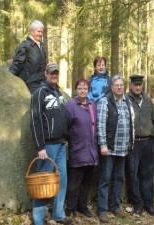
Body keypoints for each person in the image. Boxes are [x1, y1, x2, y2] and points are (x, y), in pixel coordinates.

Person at [30, 62, 72, 225]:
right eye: (51, 73)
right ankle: (38, 219)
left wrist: (66, 138)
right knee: (43, 183)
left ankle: (58, 214)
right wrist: (40, 147)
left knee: (62, 180)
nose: (54, 75)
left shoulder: (58, 92)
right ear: (45, 73)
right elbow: (35, 121)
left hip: (61, 144)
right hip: (47, 146)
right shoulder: (39, 93)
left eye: (56, 73)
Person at [96, 74, 134, 223]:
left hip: (123, 149)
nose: (119, 87)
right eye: (116, 85)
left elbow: (131, 123)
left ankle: (115, 206)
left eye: (121, 85)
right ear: (111, 87)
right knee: (105, 179)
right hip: (109, 149)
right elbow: (100, 125)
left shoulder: (127, 102)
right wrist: (103, 145)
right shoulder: (105, 102)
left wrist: (131, 141)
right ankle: (102, 210)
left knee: (119, 178)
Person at [64, 78, 98, 218]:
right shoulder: (71, 105)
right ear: (75, 90)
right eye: (80, 88)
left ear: (88, 90)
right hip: (77, 150)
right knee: (74, 183)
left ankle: (82, 206)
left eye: (85, 88)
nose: (83, 90)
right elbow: (65, 128)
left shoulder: (92, 105)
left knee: (86, 182)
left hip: (91, 151)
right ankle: (70, 208)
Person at [125, 75, 154, 216]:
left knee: (148, 174)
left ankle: (149, 204)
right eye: (135, 85)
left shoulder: (148, 101)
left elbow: (152, 120)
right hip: (133, 143)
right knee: (133, 174)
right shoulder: (126, 100)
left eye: (140, 85)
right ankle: (137, 204)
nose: (137, 87)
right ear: (131, 85)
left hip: (148, 142)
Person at [9, 20, 47, 93]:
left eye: (42, 32)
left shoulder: (42, 46)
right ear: (32, 31)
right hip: (30, 84)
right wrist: (9, 77)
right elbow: (17, 63)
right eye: (38, 31)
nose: (40, 34)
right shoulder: (25, 45)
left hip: (42, 82)